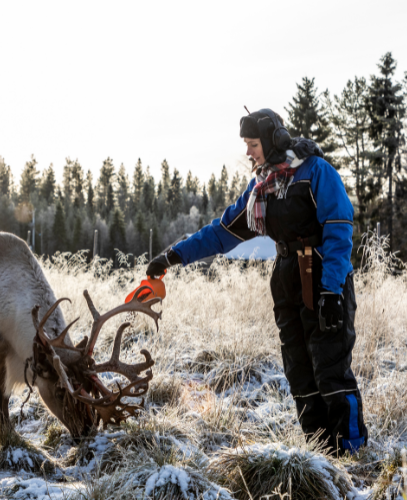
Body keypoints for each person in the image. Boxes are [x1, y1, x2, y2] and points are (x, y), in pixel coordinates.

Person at [147, 108, 367, 455]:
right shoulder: (261, 189)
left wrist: (331, 290)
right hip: (286, 283)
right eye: (247, 145)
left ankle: (352, 455)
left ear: (273, 140)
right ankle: (321, 455)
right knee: (299, 374)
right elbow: (221, 234)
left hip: (322, 279)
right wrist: (173, 255)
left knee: (330, 372)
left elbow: (339, 228)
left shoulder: (316, 172)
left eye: (253, 144)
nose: (248, 152)